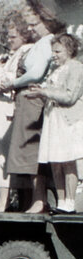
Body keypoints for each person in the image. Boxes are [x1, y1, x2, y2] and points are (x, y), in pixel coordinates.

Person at [0, 3, 62, 212]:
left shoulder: (46, 42)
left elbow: (36, 73)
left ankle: (39, 200)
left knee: (31, 152)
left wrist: (13, 83)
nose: (31, 28)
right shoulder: (41, 42)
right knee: (27, 152)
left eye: (35, 24)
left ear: (46, 21)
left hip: (33, 98)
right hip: (27, 98)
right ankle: (37, 199)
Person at [26, 32, 83, 213]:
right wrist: (40, 91)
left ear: (69, 50)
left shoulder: (76, 67)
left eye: (58, 51)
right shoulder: (55, 69)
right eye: (53, 51)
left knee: (67, 161)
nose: (54, 55)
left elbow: (70, 96)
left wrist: (45, 93)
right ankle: (61, 201)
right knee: (55, 162)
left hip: (68, 120)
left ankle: (71, 202)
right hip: (53, 119)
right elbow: (52, 94)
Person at [0, 13, 34, 211]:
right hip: (3, 112)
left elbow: (6, 82)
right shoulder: (16, 54)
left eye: (13, 36)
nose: (9, 40)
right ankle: (10, 201)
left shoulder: (26, 52)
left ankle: (4, 201)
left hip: (8, 112)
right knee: (4, 158)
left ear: (24, 35)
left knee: (4, 158)